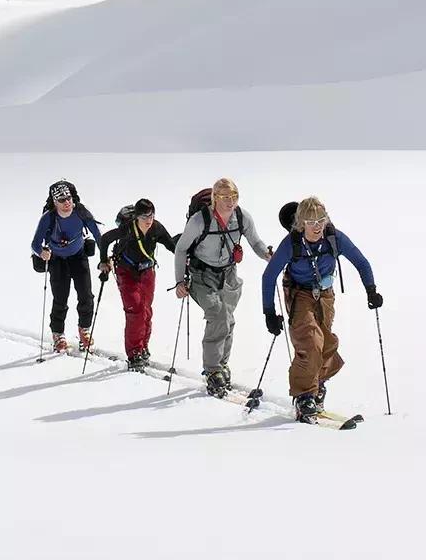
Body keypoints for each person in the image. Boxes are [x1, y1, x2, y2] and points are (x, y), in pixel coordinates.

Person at [262, 196, 382, 422]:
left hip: (325, 295)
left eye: (321, 220)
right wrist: (269, 313)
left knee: (327, 343)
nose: (317, 226)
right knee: (310, 341)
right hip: (300, 294)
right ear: (301, 223)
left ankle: (316, 384)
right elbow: (269, 277)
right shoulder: (291, 243)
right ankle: (304, 395)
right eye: (310, 221)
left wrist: (371, 290)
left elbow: (361, 262)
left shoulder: (334, 238)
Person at [174, 177, 272, 396]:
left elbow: (255, 242)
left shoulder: (242, 216)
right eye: (225, 197)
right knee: (218, 315)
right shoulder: (200, 221)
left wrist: (267, 255)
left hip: (228, 275)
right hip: (201, 275)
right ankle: (212, 370)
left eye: (234, 197)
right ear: (214, 198)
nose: (231, 202)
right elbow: (181, 250)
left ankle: (222, 365)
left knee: (227, 319)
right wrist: (180, 281)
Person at [98, 198, 179, 369]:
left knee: (146, 310)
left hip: (147, 272)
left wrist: (185, 258)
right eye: (144, 217)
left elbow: (171, 245)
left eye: (151, 215)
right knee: (135, 309)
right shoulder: (127, 229)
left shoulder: (156, 228)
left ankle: (143, 347)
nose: (149, 220)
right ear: (136, 217)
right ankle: (134, 353)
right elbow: (104, 239)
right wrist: (104, 261)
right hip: (126, 271)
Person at [31, 179, 104, 354]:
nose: (67, 203)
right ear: (55, 202)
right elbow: (35, 243)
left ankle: (84, 330)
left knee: (86, 296)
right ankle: (58, 335)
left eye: (69, 198)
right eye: (62, 200)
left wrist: (104, 258)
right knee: (60, 299)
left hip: (79, 258)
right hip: (57, 261)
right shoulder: (48, 217)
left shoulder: (81, 212)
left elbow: (98, 235)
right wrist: (42, 252)